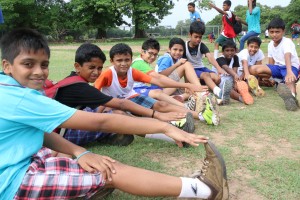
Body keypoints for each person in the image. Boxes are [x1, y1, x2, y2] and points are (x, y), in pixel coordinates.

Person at [0, 28, 230, 200]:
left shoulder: (10, 87)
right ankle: (205, 189)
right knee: (111, 170)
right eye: (28, 64)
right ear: (7, 65)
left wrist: (79, 153)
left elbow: (39, 131)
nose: (39, 72)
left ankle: (87, 185)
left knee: (94, 154)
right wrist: (162, 125)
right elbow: (102, 119)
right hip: (14, 181)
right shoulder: (35, 94)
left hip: (23, 159)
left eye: (44, 64)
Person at [50, 43, 194, 146]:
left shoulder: (72, 80)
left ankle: (112, 134)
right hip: (59, 136)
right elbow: (120, 103)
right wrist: (155, 115)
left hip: (61, 126)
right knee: (120, 116)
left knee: (117, 113)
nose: (96, 72)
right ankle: (173, 135)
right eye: (91, 68)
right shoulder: (80, 87)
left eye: (99, 68)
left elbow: (157, 80)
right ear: (77, 66)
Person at [94, 43, 220, 126]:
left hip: (130, 97)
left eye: (127, 60)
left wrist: (188, 85)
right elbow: (94, 94)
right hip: (112, 103)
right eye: (119, 60)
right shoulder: (107, 75)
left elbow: (159, 80)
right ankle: (173, 122)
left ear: (131, 60)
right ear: (111, 61)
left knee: (161, 104)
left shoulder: (132, 72)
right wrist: (97, 115)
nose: (123, 64)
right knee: (130, 119)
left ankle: (202, 116)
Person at [131, 38, 205, 112]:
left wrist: (186, 85)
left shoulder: (143, 62)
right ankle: (193, 99)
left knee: (188, 90)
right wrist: (186, 85)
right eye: (150, 53)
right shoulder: (140, 63)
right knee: (158, 93)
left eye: (155, 54)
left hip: (153, 89)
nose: (153, 57)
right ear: (142, 51)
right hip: (149, 89)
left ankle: (196, 94)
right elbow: (159, 77)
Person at [250, 18, 300, 111]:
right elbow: (271, 63)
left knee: (289, 80)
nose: (274, 34)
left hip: (290, 67)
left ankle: (291, 98)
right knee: (253, 69)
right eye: (271, 32)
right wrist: (270, 78)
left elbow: (287, 56)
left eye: (277, 32)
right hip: (277, 68)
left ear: (283, 31)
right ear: (268, 32)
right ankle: (277, 81)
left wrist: (289, 72)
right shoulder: (270, 44)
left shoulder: (287, 42)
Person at [181, 21, 233, 105]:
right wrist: (187, 83)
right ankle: (219, 93)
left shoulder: (201, 45)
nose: (198, 39)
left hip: (201, 68)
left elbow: (210, 58)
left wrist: (219, 69)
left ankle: (203, 86)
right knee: (206, 75)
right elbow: (183, 67)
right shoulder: (184, 46)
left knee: (217, 78)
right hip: (191, 70)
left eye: (200, 37)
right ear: (190, 35)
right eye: (196, 37)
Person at [215, 40, 254, 105]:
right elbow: (226, 68)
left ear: (235, 51)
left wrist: (235, 83)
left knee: (240, 84)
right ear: (222, 52)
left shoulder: (235, 57)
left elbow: (235, 70)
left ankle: (247, 93)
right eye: (227, 50)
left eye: (232, 50)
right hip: (222, 79)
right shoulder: (220, 59)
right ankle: (240, 98)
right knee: (229, 89)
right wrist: (235, 75)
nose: (230, 53)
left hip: (231, 78)